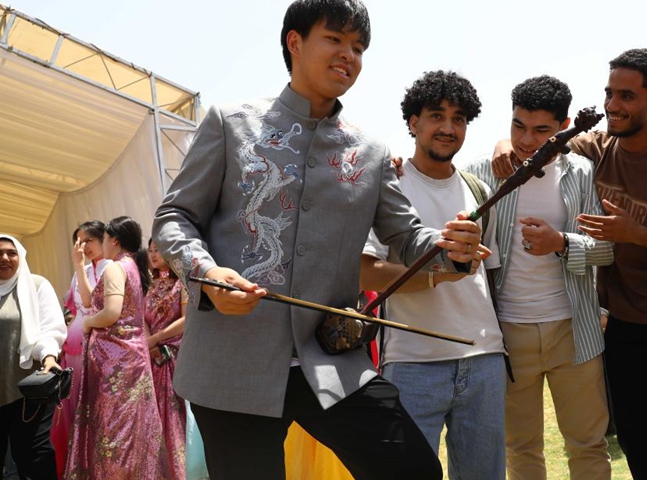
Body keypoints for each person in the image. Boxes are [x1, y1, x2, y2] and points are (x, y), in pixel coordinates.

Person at [151, 1, 482, 479]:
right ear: (295, 42)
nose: (348, 55)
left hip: (330, 358)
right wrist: (207, 274)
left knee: (414, 470)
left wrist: (449, 248)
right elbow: (175, 216)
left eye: (359, 47)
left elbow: (407, 236)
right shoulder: (230, 122)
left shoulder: (368, 151)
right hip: (232, 363)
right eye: (335, 39)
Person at [492, 48, 647, 479]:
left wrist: (636, 234)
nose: (612, 106)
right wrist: (500, 143)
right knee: (637, 434)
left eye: (626, 96)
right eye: (609, 93)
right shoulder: (598, 148)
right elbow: (546, 140)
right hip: (625, 321)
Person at [464, 75, 613, 480]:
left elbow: (607, 250)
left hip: (574, 330)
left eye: (541, 130)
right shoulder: (481, 172)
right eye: (518, 126)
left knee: (588, 445)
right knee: (521, 448)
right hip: (506, 335)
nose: (527, 140)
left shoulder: (581, 172)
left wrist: (561, 243)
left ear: (565, 126)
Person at [360, 70, 506, 480]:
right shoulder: (387, 185)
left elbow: (488, 276)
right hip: (412, 362)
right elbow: (365, 272)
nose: (448, 127)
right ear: (413, 122)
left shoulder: (479, 191)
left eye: (458, 118)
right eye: (436, 116)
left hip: (484, 360)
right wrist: (436, 275)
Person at [65, 216, 169, 479]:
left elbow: (110, 313)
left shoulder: (114, 268)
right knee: (131, 425)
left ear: (114, 240)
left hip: (115, 359)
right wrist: (80, 266)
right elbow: (91, 300)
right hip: (130, 356)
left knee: (113, 428)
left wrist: (87, 324)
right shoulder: (132, 266)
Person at [0, 234, 67, 480]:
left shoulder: (36, 285)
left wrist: (49, 356)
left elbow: (50, 329)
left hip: (29, 391)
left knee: (32, 454)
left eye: (11, 252)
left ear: (21, 256)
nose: (4, 258)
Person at [52, 220, 111, 477]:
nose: (83, 246)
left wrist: (78, 265)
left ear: (103, 239)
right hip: (73, 348)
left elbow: (91, 303)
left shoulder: (111, 268)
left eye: (88, 240)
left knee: (93, 408)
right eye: (79, 241)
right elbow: (73, 309)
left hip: (98, 348)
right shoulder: (81, 271)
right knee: (73, 407)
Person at [145, 238, 188, 479]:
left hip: (174, 355)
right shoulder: (149, 284)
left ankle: (179, 470)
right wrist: (149, 341)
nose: (153, 255)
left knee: (173, 413)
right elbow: (142, 316)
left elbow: (186, 319)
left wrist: (157, 338)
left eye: (157, 250)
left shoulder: (181, 282)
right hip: (150, 356)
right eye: (150, 250)